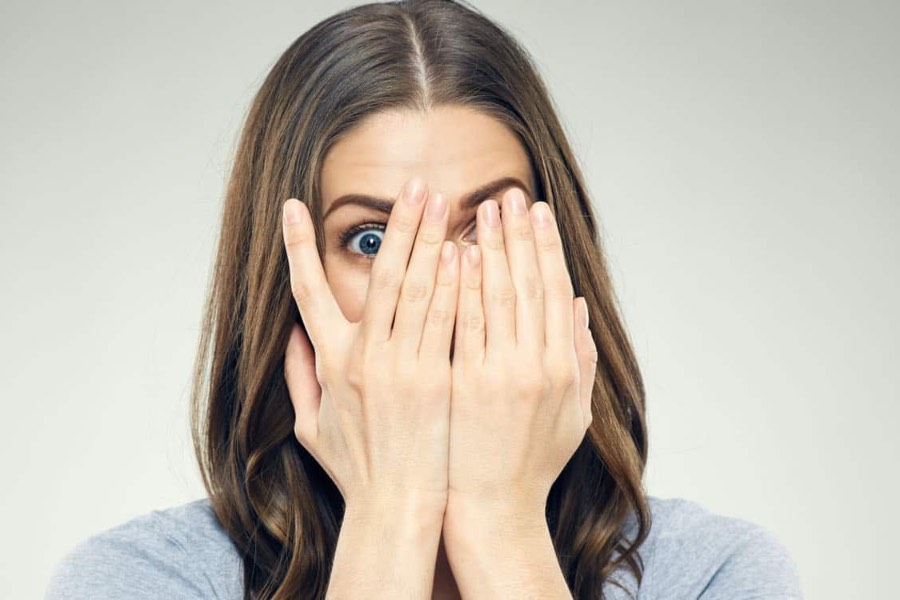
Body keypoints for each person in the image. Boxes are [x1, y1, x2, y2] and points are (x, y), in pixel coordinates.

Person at [46, 1, 803, 599]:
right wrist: (393, 510)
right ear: (288, 285)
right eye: (373, 240)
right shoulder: (143, 580)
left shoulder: (712, 575)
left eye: (491, 222)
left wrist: (497, 516)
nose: (435, 286)